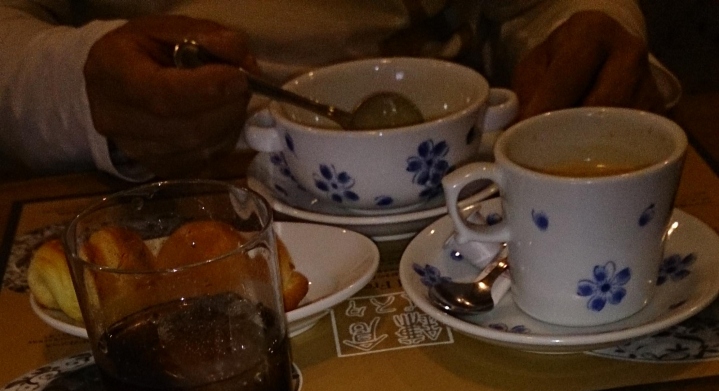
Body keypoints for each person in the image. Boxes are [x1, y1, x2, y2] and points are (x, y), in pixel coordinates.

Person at [0, 0, 672, 177]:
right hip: (146, 178)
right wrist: (78, 84)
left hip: (459, 185)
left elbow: (541, 6)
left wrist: (594, 27)